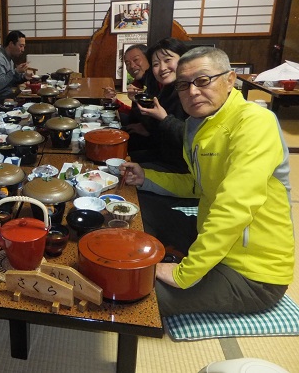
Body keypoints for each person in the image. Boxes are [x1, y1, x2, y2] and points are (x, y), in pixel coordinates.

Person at [122, 46, 294, 317]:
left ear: (230, 79)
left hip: (253, 273)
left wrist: (184, 273)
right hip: (210, 237)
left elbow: (234, 206)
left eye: (203, 80)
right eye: (183, 85)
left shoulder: (255, 122)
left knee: (135, 292)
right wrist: (146, 178)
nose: (192, 92)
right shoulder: (198, 124)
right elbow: (197, 185)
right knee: (139, 211)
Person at [127, 38, 189, 173]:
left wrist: (164, 119)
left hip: (183, 168)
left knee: (126, 170)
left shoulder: (192, 93)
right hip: (165, 154)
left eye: (167, 60)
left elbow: (195, 140)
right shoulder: (168, 90)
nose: (162, 68)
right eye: (156, 64)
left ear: (184, 59)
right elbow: (156, 128)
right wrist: (137, 102)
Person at [0, 30, 32, 109]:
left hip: (4, 95)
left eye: (24, 46)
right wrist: (16, 71)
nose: (23, 49)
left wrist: (24, 77)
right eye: (21, 46)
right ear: (11, 44)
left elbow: (10, 79)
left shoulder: (9, 58)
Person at [103, 44, 150, 121]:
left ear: (149, 59)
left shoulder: (158, 83)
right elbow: (133, 115)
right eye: (127, 64)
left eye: (136, 60)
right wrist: (114, 101)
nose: (132, 66)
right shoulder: (137, 83)